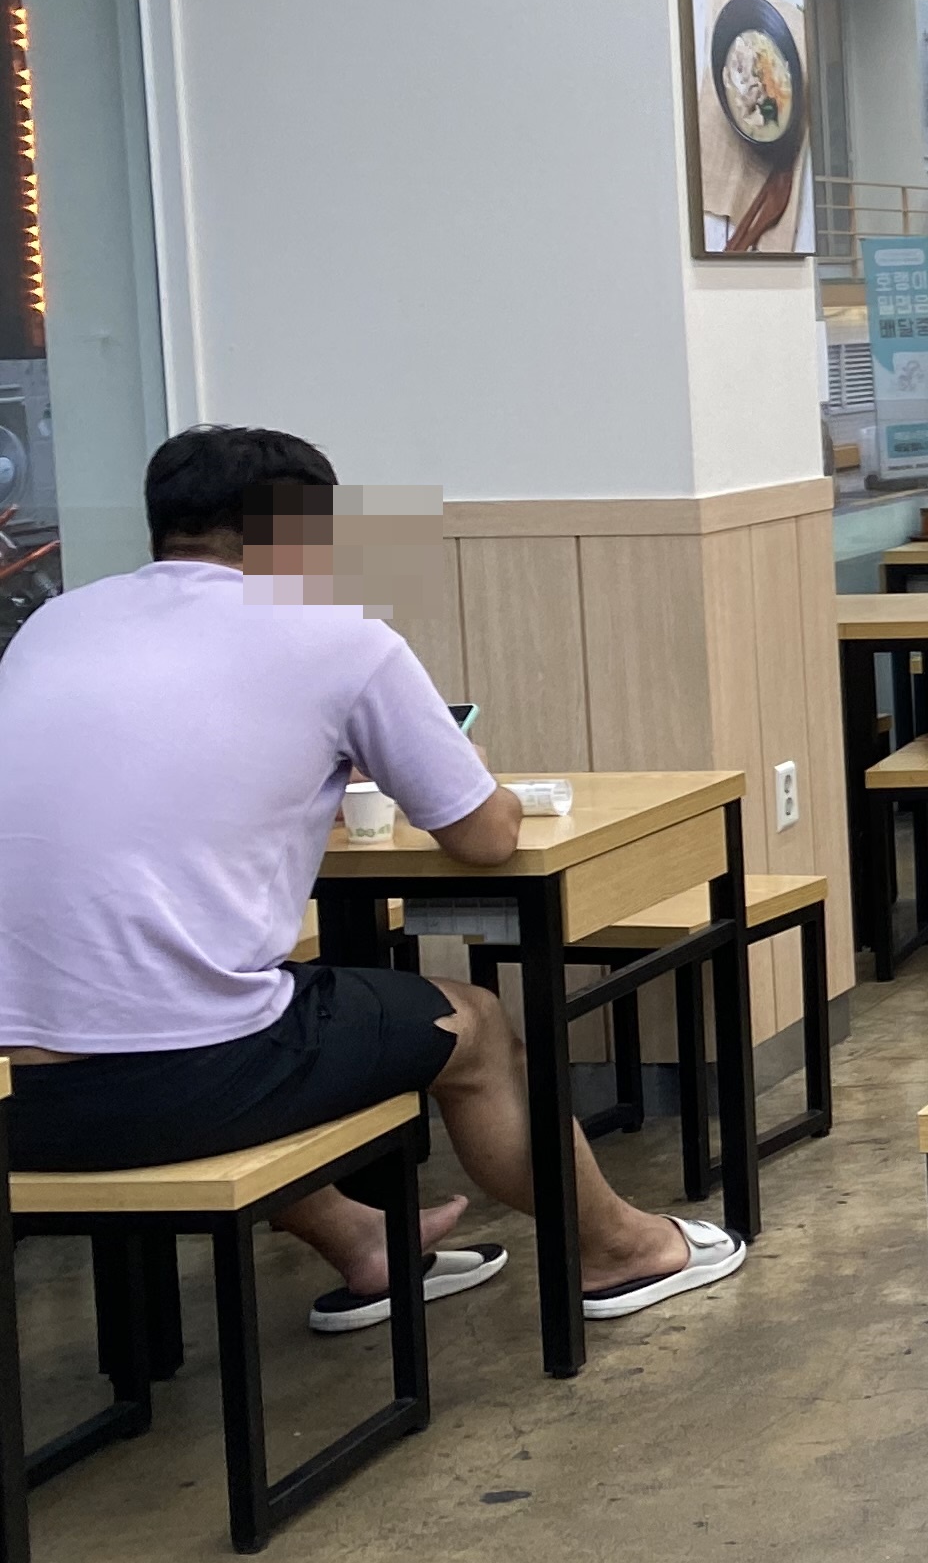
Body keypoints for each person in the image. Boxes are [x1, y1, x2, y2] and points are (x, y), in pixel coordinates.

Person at [0, 428, 739, 1330]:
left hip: (17, 1101)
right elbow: (484, 838)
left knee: (251, 996)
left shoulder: (56, 624)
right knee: (472, 1024)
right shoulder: (341, 640)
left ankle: (364, 1244)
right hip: (174, 1087)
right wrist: (476, 770)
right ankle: (619, 1249)